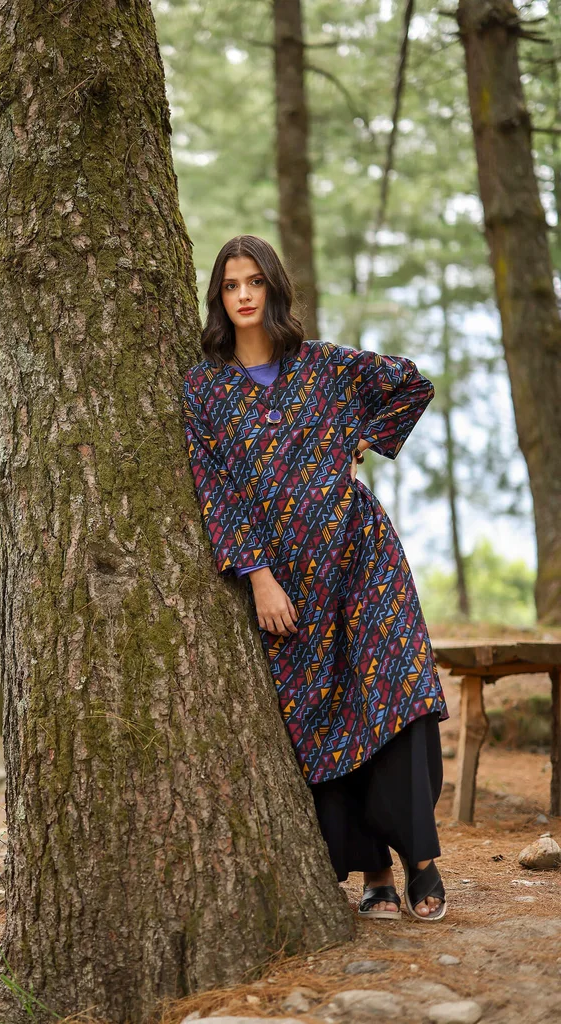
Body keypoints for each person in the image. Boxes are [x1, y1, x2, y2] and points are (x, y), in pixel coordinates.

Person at [182, 234, 448, 922]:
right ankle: (376, 872)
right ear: (219, 297)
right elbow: (215, 490)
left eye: (255, 282)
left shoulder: (327, 368)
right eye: (231, 284)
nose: (243, 295)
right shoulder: (205, 389)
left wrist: (363, 441)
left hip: (361, 557)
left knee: (396, 691)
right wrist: (260, 577)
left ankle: (423, 861)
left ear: (274, 289)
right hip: (286, 581)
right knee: (322, 715)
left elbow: (411, 383)